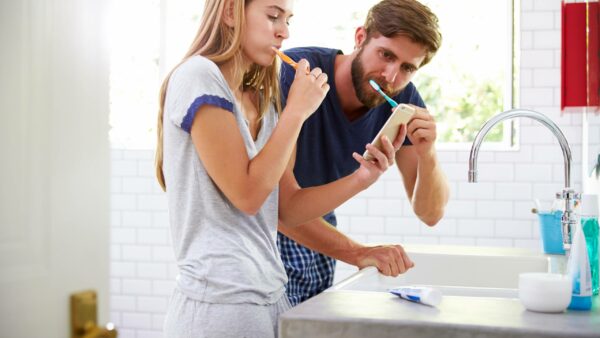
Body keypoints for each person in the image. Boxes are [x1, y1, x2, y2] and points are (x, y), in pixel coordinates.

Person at [155, 0, 399, 336]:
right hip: (217, 308)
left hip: (268, 298)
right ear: (230, 12)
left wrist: (363, 177)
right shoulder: (198, 76)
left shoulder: (261, 97)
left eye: (287, 20)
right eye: (272, 17)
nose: (283, 31)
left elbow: (287, 207)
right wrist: (297, 113)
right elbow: (247, 195)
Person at [277, 0, 450, 306]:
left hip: (320, 242)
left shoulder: (402, 97)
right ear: (360, 38)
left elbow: (431, 214)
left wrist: (428, 154)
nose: (390, 76)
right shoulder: (296, 72)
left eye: (408, 67)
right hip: (268, 238)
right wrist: (359, 252)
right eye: (386, 55)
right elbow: (276, 206)